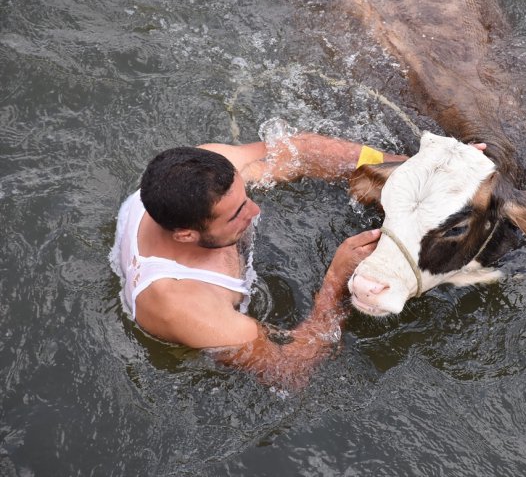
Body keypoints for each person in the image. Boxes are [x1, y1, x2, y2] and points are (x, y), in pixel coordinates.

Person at [110, 131, 407, 388]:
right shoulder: (186, 307)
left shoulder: (204, 170)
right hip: (192, 348)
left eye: (244, 198)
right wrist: (336, 280)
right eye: (237, 213)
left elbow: (298, 150)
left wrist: (398, 167)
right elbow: (290, 371)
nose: (255, 211)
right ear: (186, 235)